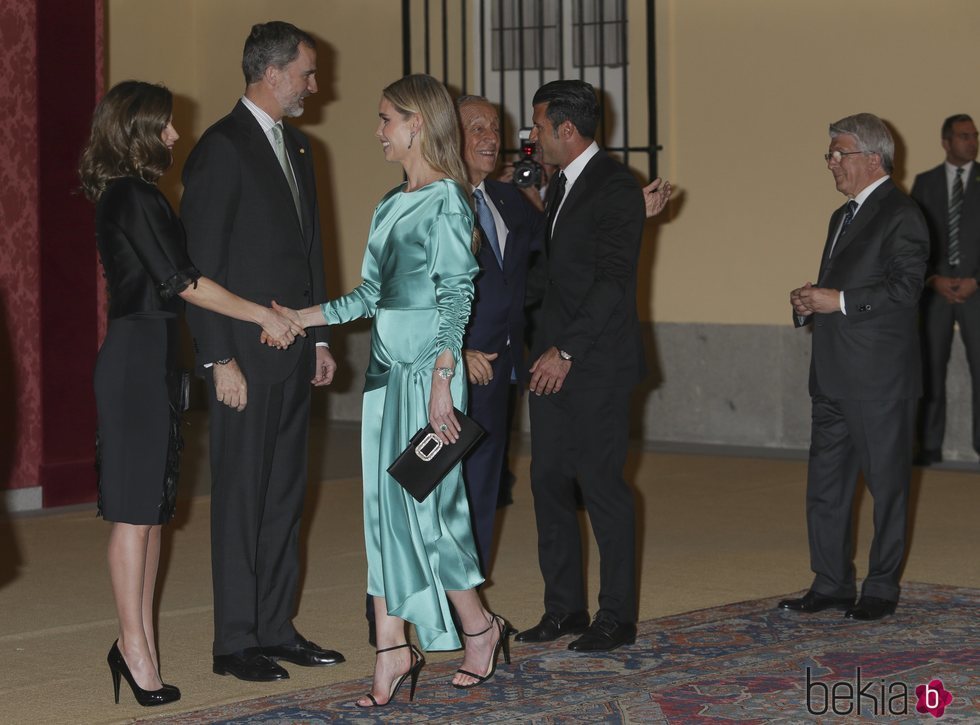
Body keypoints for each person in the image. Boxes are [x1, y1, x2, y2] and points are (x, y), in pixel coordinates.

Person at [276, 74, 510, 707]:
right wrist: (304, 317)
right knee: (383, 519)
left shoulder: (448, 201)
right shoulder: (388, 204)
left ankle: (480, 629)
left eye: (386, 119)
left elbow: (458, 297)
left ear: (417, 125)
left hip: (431, 378)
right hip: (385, 379)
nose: (377, 131)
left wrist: (443, 384)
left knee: (434, 514)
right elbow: (369, 298)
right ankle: (391, 649)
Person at [78, 80, 302, 706]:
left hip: (154, 359)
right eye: (165, 125)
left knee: (152, 513)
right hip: (132, 360)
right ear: (135, 131)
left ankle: (138, 643)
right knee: (132, 514)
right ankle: (134, 648)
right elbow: (183, 281)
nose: (174, 135)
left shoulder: (144, 194)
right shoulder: (128, 195)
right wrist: (261, 314)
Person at [180, 21, 343, 682]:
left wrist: (323, 334)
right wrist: (219, 359)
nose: (314, 84)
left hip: (295, 351)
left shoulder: (301, 148)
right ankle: (234, 640)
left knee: (284, 495)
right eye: (306, 72)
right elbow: (198, 267)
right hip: (243, 359)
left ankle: (276, 625)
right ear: (272, 73)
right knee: (242, 499)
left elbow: (311, 250)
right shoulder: (220, 147)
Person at [515, 80, 646, 652]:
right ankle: (564, 609)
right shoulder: (560, 185)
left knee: (601, 488)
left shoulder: (615, 186)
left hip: (594, 364)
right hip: (547, 362)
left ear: (567, 129)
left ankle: (616, 617)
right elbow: (548, 279)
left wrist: (566, 350)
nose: (531, 136)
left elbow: (612, 283)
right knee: (547, 484)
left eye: (538, 126)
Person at [784, 113, 928, 621]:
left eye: (838, 153)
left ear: (873, 158)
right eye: (829, 154)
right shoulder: (840, 216)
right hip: (832, 375)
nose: (831, 163)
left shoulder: (902, 214)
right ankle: (831, 583)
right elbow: (839, 289)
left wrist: (838, 301)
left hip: (878, 379)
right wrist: (809, 301)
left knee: (887, 487)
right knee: (825, 486)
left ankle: (881, 588)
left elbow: (904, 290)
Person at [457, 94, 544, 574]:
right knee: (433, 481)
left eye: (495, 128)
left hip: (500, 364)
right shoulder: (429, 199)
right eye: (477, 129)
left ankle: (467, 587)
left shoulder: (508, 198)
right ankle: (408, 602)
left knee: (485, 480)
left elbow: (554, 246)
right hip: (449, 363)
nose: (491, 138)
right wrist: (452, 347)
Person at [911, 114, 980, 464]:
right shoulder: (925, 184)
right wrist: (932, 279)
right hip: (935, 291)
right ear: (946, 142)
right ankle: (929, 445)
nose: (972, 141)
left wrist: (976, 280)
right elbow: (911, 240)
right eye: (964, 136)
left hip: (977, 292)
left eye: (975, 135)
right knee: (929, 369)